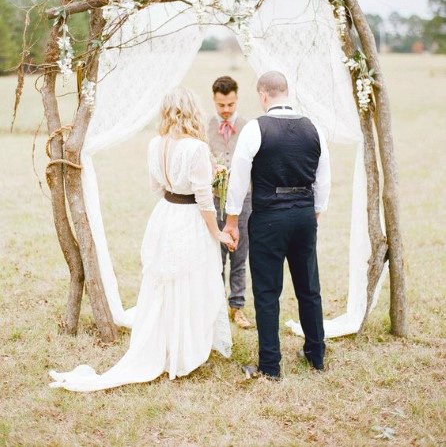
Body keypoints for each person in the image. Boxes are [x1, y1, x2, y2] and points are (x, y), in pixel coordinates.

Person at [49, 87, 233, 392]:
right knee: (190, 280)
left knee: (164, 282)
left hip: (165, 215)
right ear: (192, 112)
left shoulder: (154, 144)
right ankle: (184, 352)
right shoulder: (196, 149)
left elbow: (155, 188)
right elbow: (203, 198)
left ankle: (168, 345)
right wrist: (217, 232)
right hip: (189, 219)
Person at [224, 71, 331, 379]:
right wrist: (315, 213)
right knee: (309, 287)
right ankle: (316, 355)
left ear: (263, 95)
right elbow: (323, 178)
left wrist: (232, 220)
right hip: (303, 216)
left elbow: (238, 178)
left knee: (268, 291)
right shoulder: (314, 129)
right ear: (286, 92)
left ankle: (270, 365)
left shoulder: (255, 128)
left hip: (269, 217)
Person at [208, 76, 253, 330]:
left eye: (231, 105)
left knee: (239, 254)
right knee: (216, 256)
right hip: (213, 202)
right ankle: (215, 307)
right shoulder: (205, 127)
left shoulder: (249, 127)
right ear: (214, 100)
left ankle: (237, 306)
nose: (226, 110)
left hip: (244, 201)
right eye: (221, 105)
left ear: (237, 99)